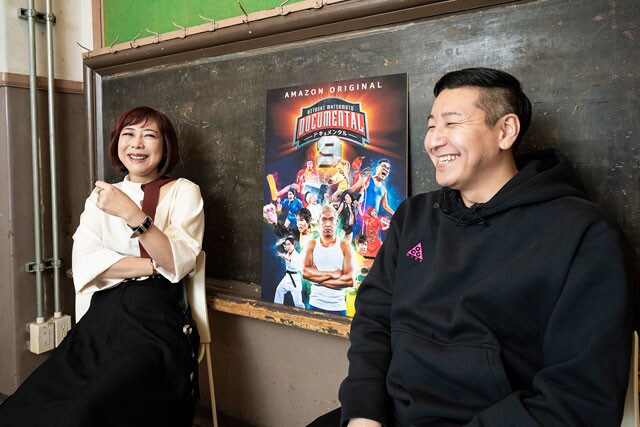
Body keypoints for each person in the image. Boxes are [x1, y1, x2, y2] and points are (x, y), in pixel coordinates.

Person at [309, 68, 635, 426]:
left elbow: (580, 396)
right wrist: (363, 410)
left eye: (452, 123)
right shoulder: (414, 216)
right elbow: (373, 319)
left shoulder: (582, 233)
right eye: (431, 125)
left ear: (506, 131)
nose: (434, 141)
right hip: (386, 414)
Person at [0, 106, 205, 427]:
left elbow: (179, 264)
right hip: (100, 316)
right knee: (27, 406)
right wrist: (155, 264)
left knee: (91, 406)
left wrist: (132, 214)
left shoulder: (184, 191)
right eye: (128, 134)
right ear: (116, 143)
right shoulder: (101, 196)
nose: (137, 144)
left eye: (149, 135)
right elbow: (86, 261)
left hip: (155, 315)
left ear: (165, 146)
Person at [303, 204, 355, 316]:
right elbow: (305, 273)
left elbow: (349, 280)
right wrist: (332, 274)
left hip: (338, 307)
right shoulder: (311, 245)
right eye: (324, 219)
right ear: (318, 222)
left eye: (331, 219)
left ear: (336, 222)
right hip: (315, 304)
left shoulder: (345, 246)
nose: (327, 224)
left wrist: (316, 278)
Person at [274, 236, 305, 308]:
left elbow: (291, 260)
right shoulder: (287, 253)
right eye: (286, 245)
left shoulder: (297, 255)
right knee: (279, 290)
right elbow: (279, 245)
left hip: (295, 280)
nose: (287, 246)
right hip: (287, 277)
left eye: (289, 244)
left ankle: (303, 313)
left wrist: (284, 257)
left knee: (298, 303)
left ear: (293, 244)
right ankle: (277, 307)